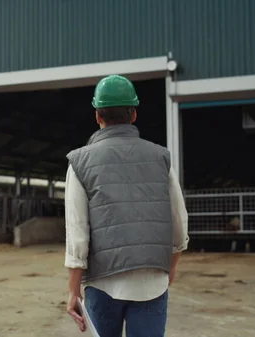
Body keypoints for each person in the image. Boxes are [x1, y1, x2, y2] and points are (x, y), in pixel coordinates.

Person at [64, 74, 189, 337]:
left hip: (102, 283)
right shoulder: (160, 158)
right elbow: (178, 221)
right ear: (134, 114)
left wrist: (73, 290)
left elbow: (77, 232)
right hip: (151, 281)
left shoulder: (79, 163)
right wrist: (172, 264)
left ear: (98, 116)